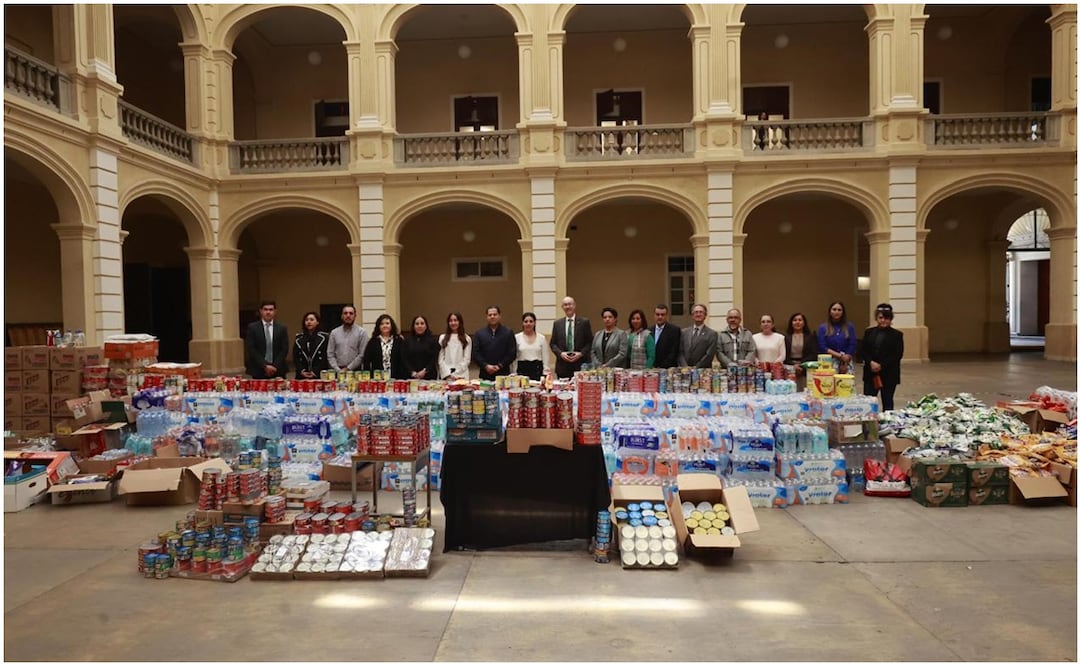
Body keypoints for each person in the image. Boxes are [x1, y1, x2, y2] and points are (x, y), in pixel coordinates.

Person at [859, 303, 904, 411]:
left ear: (891, 319)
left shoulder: (897, 335)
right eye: (881, 317)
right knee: (868, 402)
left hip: (889, 374)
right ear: (876, 318)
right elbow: (863, 350)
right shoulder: (869, 332)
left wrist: (881, 365)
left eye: (887, 318)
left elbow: (897, 354)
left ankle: (888, 424)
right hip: (871, 373)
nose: (883, 320)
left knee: (887, 401)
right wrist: (870, 362)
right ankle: (869, 426)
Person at [245, 300, 289, 379]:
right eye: (265, 309)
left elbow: (284, 349)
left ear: (275, 311)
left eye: (271, 309)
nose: (268, 312)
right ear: (261, 311)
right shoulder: (252, 328)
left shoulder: (282, 328)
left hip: (278, 369)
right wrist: (265, 366)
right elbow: (251, 349)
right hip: (258, 369)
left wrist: (274, 366)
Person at [550, 296, 592, 378]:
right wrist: (561, 353)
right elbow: (553, 344)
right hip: (562, 366)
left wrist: (581, 353)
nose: (568, 307)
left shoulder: (584, 322)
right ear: (562, 307)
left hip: (580, 366)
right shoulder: (557, 324)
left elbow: (589, 342)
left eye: (570, 304)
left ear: (574, 305)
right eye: (565, 305)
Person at [472, 305, 517, 381]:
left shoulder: (508, 332)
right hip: (485, 374)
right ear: (486, 317)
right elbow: (475, 354)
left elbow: (512, 353)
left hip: (503, 374)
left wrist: (500, 365)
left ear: (499, 316)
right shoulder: (479, 334)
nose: (492, 317)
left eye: (495, 314)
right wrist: (485, 366)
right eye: (490, 315)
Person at [360, 314, 406, 379]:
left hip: (396, 378)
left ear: (391, 325)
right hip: (377, 379)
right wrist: (368, 377)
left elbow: (403, 359)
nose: (385, 326)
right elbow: (366, 360)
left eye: (387, 323)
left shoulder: (399, 340)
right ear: (378, 326)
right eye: (382, 324)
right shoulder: (373, 342)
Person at [817, 301, 857, 373]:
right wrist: (840, 356)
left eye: (839, 310)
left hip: (846, 361)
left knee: (845, 383)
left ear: (843, 312)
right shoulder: (823, 328)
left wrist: (844, 361)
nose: (837, 312)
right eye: (834, 309)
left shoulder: (849, 326)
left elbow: (852, 344)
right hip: (828, 362)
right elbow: (822, 347)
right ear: (830, 311)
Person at [783, 312, 819, 391]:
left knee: (806, 392)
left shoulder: (811, 336)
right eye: (795, 320)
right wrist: (793, 366)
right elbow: (783, 354)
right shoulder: (785, 337)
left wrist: (801, 365)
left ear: (804, 323)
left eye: (800, 320)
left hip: (806, 368)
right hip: (790, 368)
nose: (797, 322)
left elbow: (814, 354)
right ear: (791, 323)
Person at [327, 304, 368, 372]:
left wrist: (348, 368)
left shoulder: (362, 332)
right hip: (337, 371)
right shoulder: (334, 333)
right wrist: (337, 369)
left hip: (355, 371)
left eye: (351, 313)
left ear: (355, 316)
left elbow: (362, 354)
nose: (348, 315)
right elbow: (330, 354)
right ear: (342, 316)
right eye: (345, 313)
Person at [292, 311, 330, 380]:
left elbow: (325, 357)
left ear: (317, 322)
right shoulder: (299, 338)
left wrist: (315, 372)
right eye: (306, 320)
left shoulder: (324, 337)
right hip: (302, 374)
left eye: (312, 320)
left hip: (319, 374)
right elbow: (296, 357)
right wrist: (302, 370)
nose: (309, 322)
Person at [678, 303, 717, 368]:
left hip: (702, 370)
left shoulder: (712, 334)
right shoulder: (684, 332)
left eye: (701, 312)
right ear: (692, 315)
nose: (698, 314)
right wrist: (685, 366)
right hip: (685, 370)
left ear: (705, 315)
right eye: (696, 312)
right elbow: (680, 352)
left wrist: (696, 368)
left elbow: (709, 355)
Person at [513, 312, 549, 381]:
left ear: (535, 323)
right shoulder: (517, 337)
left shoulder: (541, 338)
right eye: (526, 321)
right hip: (522, 370)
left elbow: (545, 357)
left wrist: (546, 372)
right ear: (522, 323)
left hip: (537, 370)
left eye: (531, 321)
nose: (528, 324)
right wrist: (514, 372)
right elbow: (515, 357)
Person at [401, 315, 439, 380]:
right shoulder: (407, 341)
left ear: (426, 326)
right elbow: (404, 358)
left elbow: (434, 358)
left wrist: (425, 370)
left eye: (422, 323)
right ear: (413, 326)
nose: (419, 326)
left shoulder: (433, 340)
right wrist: (412, 372)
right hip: (411, 377)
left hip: (429, 376)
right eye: (417, 324)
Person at [437, 312, 472, 380]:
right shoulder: (442, 337)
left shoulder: (467, 338)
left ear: (460, 322)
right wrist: (448, 374)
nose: (453, 323)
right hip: (446, 375)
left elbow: (467, 360)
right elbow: (440, 359)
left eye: (455, 320)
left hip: (461, 375)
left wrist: (456, 374)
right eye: (450, 321)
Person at [652, 304, 681, 369]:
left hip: (668, 369)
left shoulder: (674, 330)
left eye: (662, 315)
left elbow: (673, 352)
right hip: (652, 369)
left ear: (667, 316)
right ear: (654, 315)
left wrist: (661, 367)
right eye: (657, 314)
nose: (660, 317)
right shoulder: (649, 330)